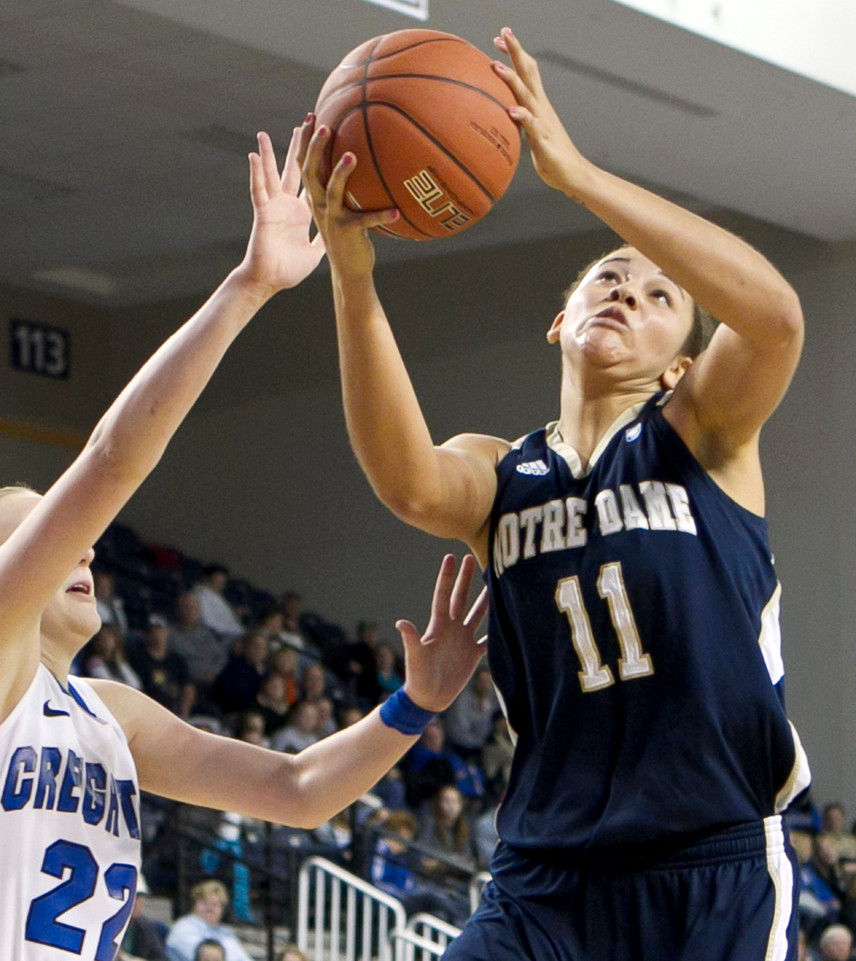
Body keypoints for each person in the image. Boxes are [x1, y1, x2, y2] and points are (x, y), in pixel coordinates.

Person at [0, 120, 489, 961]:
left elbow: (298, 788)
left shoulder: (109, 715)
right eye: (46, 535)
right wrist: (248, 286)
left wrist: (415, 704)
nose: (84, 548)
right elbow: (110, 462)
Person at [302, 25, 808, 961]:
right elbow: (407, 482)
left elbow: (775, 318)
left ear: (681, 367)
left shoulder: (704, 432)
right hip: (548, 878)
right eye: (609, 276)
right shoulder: (500, 472)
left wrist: (575, 176)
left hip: (709, 862)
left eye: (660, 297)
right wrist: (352, 270)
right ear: (558, 321)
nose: (627, 293)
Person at [164, 880, 252, 961]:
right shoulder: (183, 927)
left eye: (215, 904)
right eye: (204, 903)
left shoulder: (226, 933)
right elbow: (206, 957)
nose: (209, 908)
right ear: (194, 905)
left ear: (222, 909)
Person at [82, 623, 142, 689]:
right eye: (103, 638)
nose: (107, 642)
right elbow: (107, 683)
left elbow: (135, 684)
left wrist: (120, 663)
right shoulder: (94, 662)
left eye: (110, 638)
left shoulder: (118, 660)